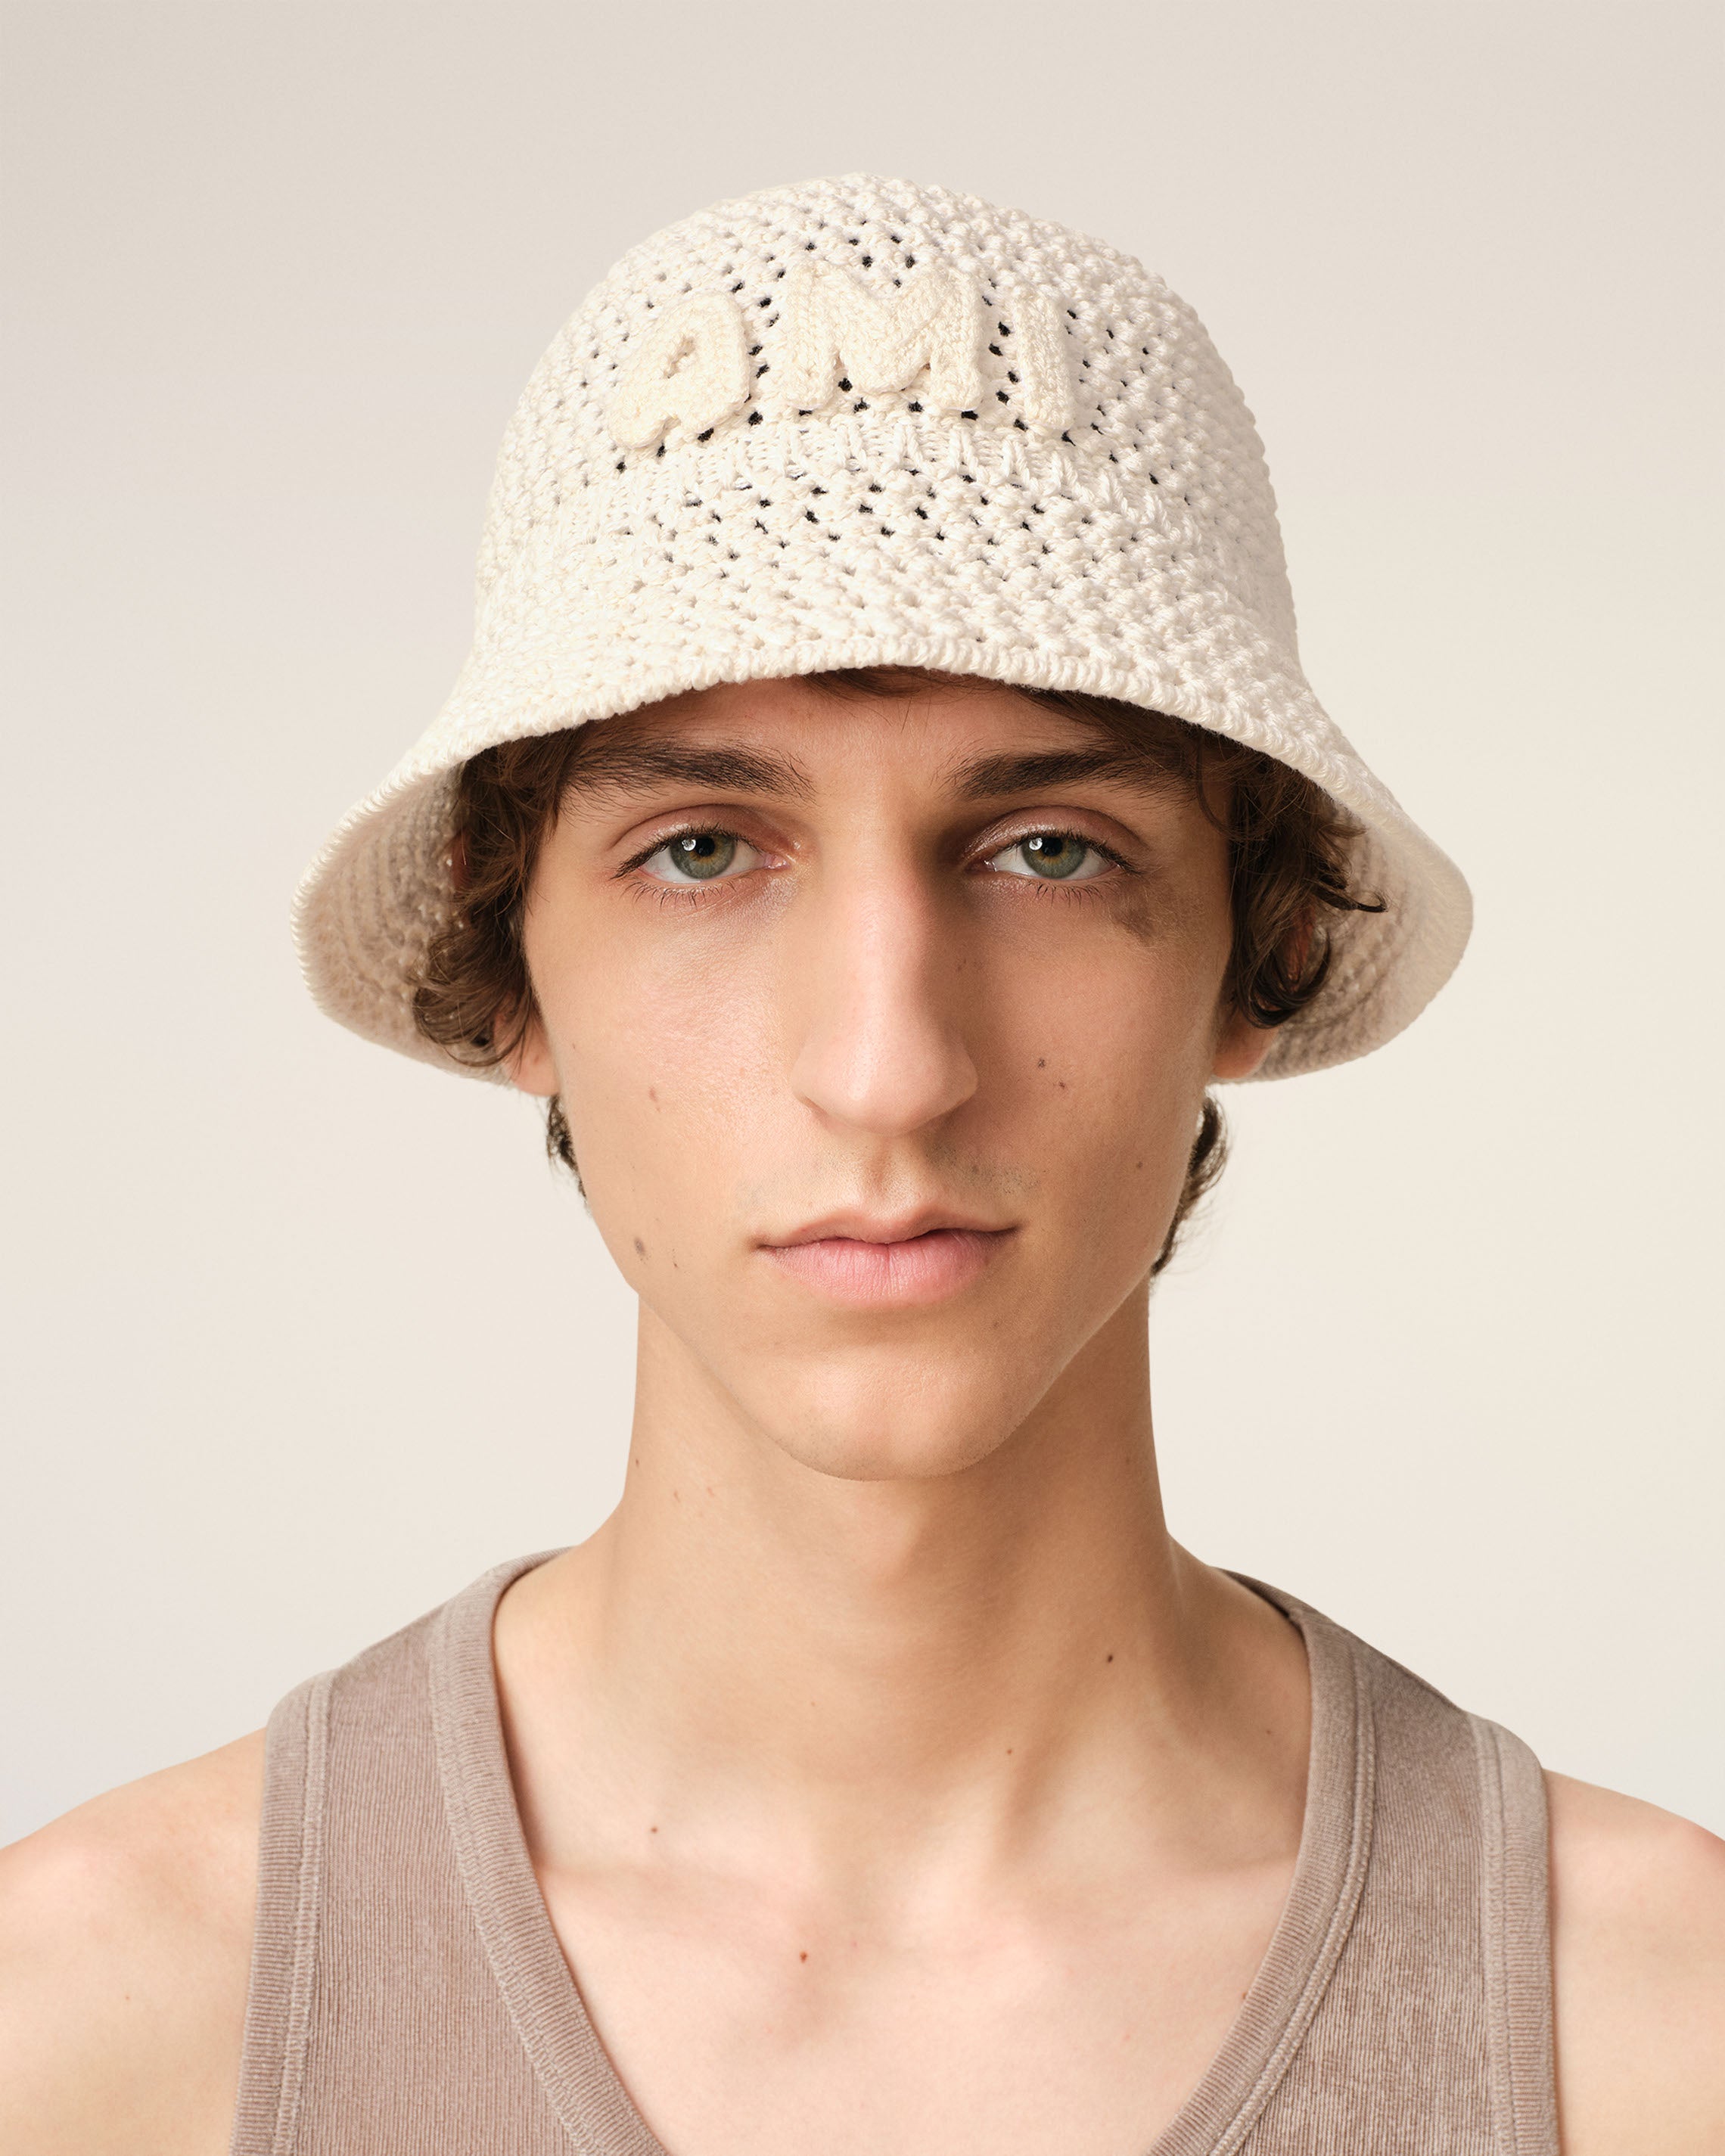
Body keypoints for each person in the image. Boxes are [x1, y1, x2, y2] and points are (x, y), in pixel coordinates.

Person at [2, 174, 1720, 2156]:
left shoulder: (1652, 2039)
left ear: (1260, 951)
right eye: (703, 852)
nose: (890, 1069)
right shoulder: (98, 2034)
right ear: (507, 963)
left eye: (1050, 850)